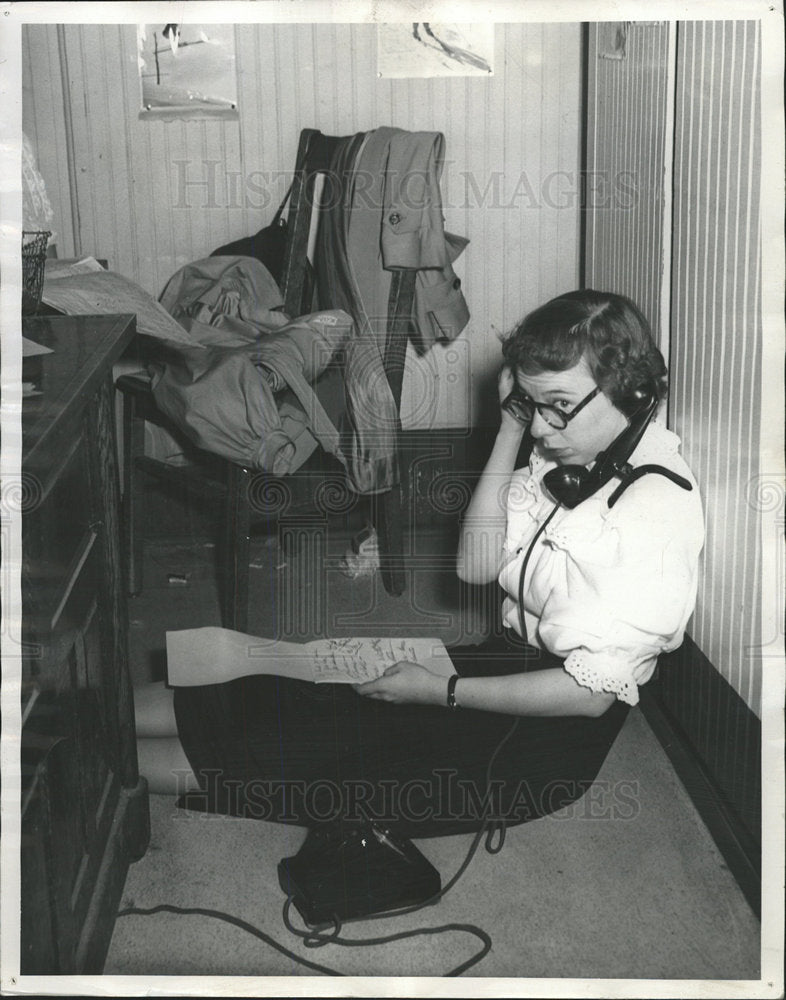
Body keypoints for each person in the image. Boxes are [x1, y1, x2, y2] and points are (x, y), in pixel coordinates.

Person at [134, 289, 704, 838]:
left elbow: (591, 695)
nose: (540, 427)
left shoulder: (653, 513)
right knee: (302, 690)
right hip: (504, 666)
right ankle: (75, 722)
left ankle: (91, 764)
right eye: (534, 405)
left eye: (558, 407)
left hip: (542, 741)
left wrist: (442, 692)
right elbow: (475, 567)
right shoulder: (574, 448)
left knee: (313, 748)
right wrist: (508, 429)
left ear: (631, 392)